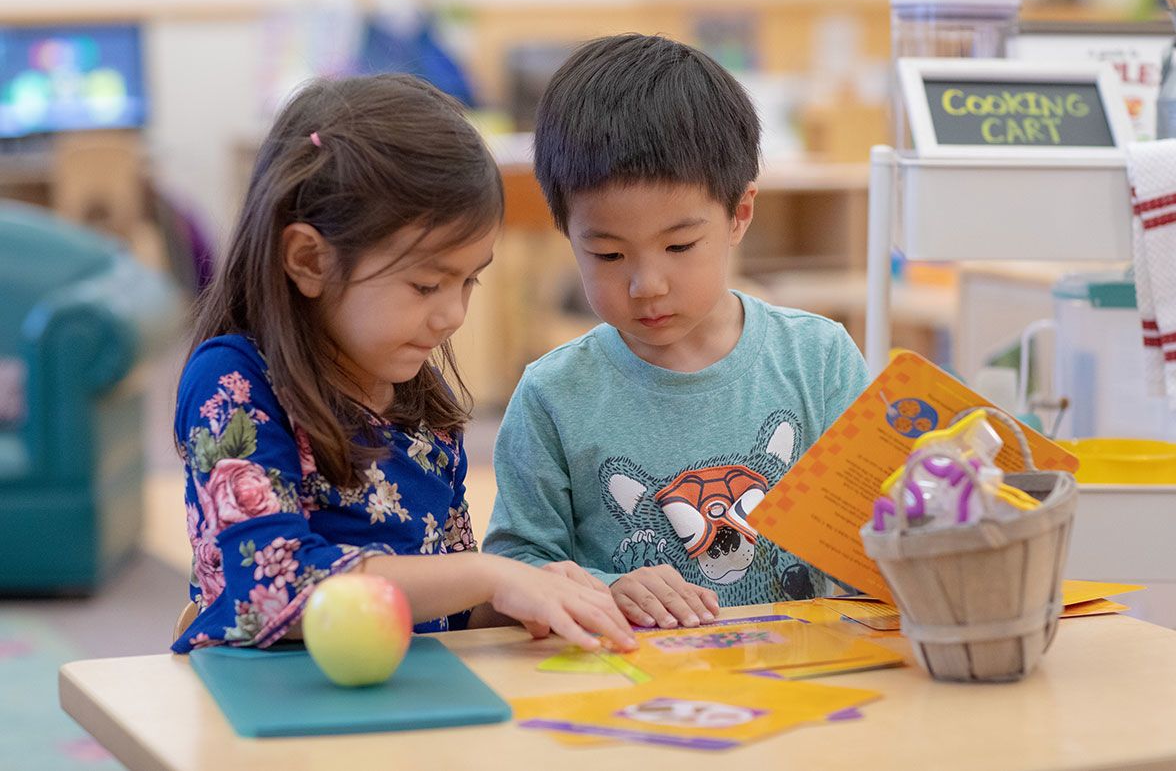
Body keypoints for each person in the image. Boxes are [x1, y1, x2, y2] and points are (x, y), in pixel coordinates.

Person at [171, 74, 635, 654]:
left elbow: (451, 606)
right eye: (426, 284)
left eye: (468, 280)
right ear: (309, 260)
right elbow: (272, 588)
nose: (453, 315)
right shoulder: (235, 383)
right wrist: (490, 575)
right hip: (264, 704)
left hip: (413, 695)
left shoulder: (420, 397)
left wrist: (535, 592)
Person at [483, 35, 870, 629]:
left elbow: (870, 537)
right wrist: (610, 588)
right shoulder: (553, 396)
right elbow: (513, 570)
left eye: (680, 246)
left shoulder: (818, 361)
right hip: (632, 693)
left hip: (807, 678)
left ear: (739, 214)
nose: (647, 285)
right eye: (608, 255)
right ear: (569, 234)